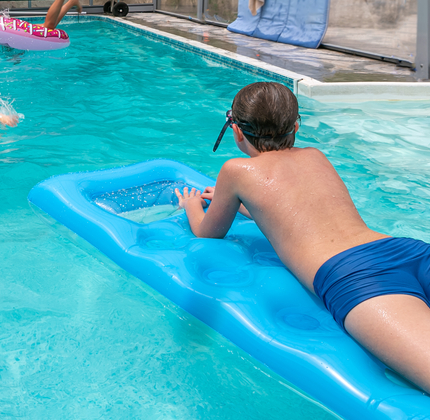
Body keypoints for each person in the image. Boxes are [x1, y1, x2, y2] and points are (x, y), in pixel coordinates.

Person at [175, 82, 430, 392]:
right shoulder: (315, 155)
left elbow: (207, 232)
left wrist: (191, 205)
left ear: (237, 131)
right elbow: (308, 212)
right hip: (406, 251)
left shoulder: (236, 170)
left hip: (356, 277)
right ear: (296, 125)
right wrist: (251, 209)